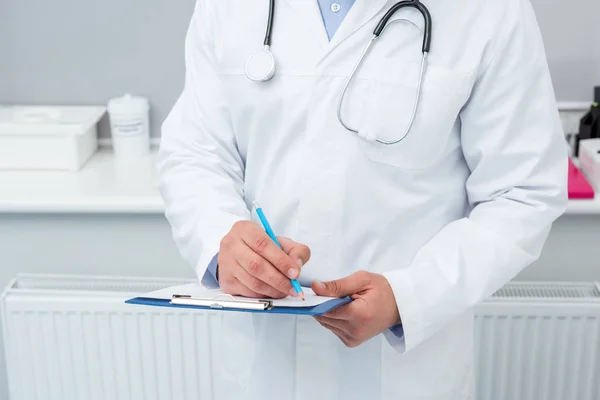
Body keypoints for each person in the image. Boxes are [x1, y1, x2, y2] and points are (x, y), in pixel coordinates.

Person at [156, 0, 568, 398]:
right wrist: (221, 242)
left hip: (403, 373)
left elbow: (522, 193)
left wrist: (409, 296)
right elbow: (196, 153)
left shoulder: (490, 10)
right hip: (264, 363)